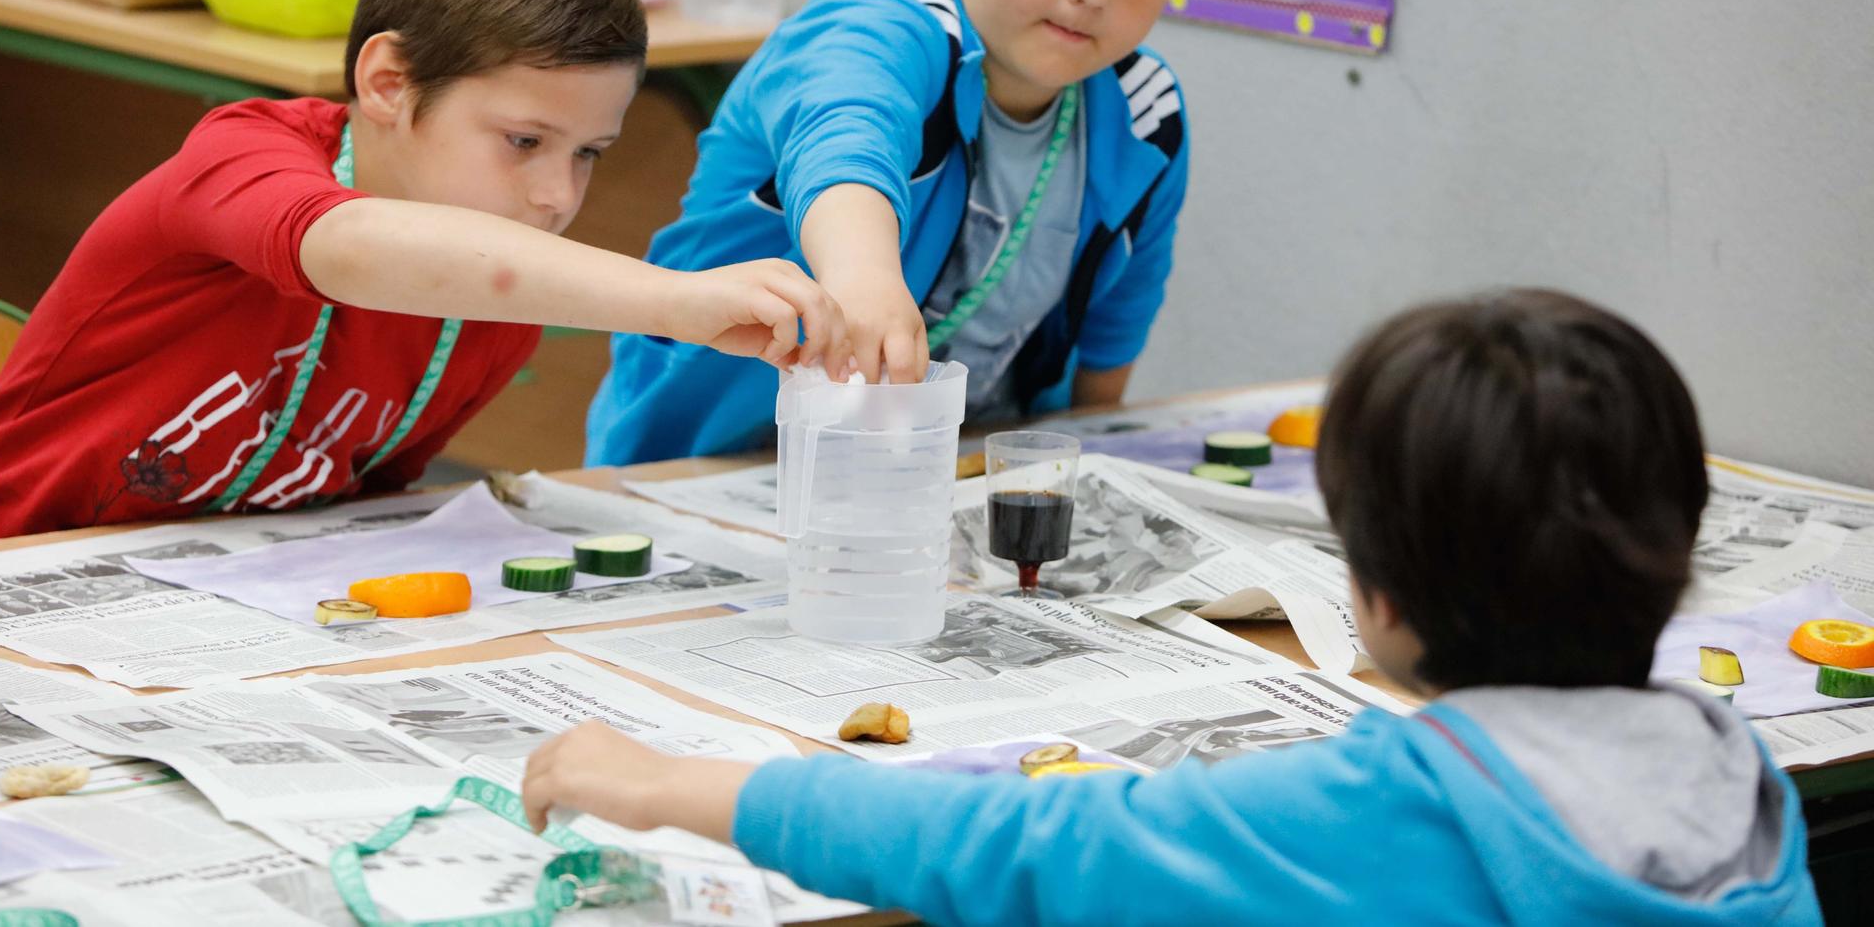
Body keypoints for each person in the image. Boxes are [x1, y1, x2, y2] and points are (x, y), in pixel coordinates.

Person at [525, 290, 1821, 925]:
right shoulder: (1736, 777)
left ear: (1373, 597)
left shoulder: (1391, 809)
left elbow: (1010, 843)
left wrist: (661, 785)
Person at [0, 0, 842, 550]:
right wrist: (670, 301)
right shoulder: (243, 156)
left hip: (196, 614)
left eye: (587, 153)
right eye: (522, 141)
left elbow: (342, 503)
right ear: (386, 83)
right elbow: (347, 250)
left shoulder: (491, 302)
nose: (557, 195)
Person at [587, 0, 1240, 465]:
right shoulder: (880, 29)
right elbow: (844, 136)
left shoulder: (1146, 116)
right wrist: (862, 277)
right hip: (699, 471)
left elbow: (1110, 342)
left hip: (939, 493)